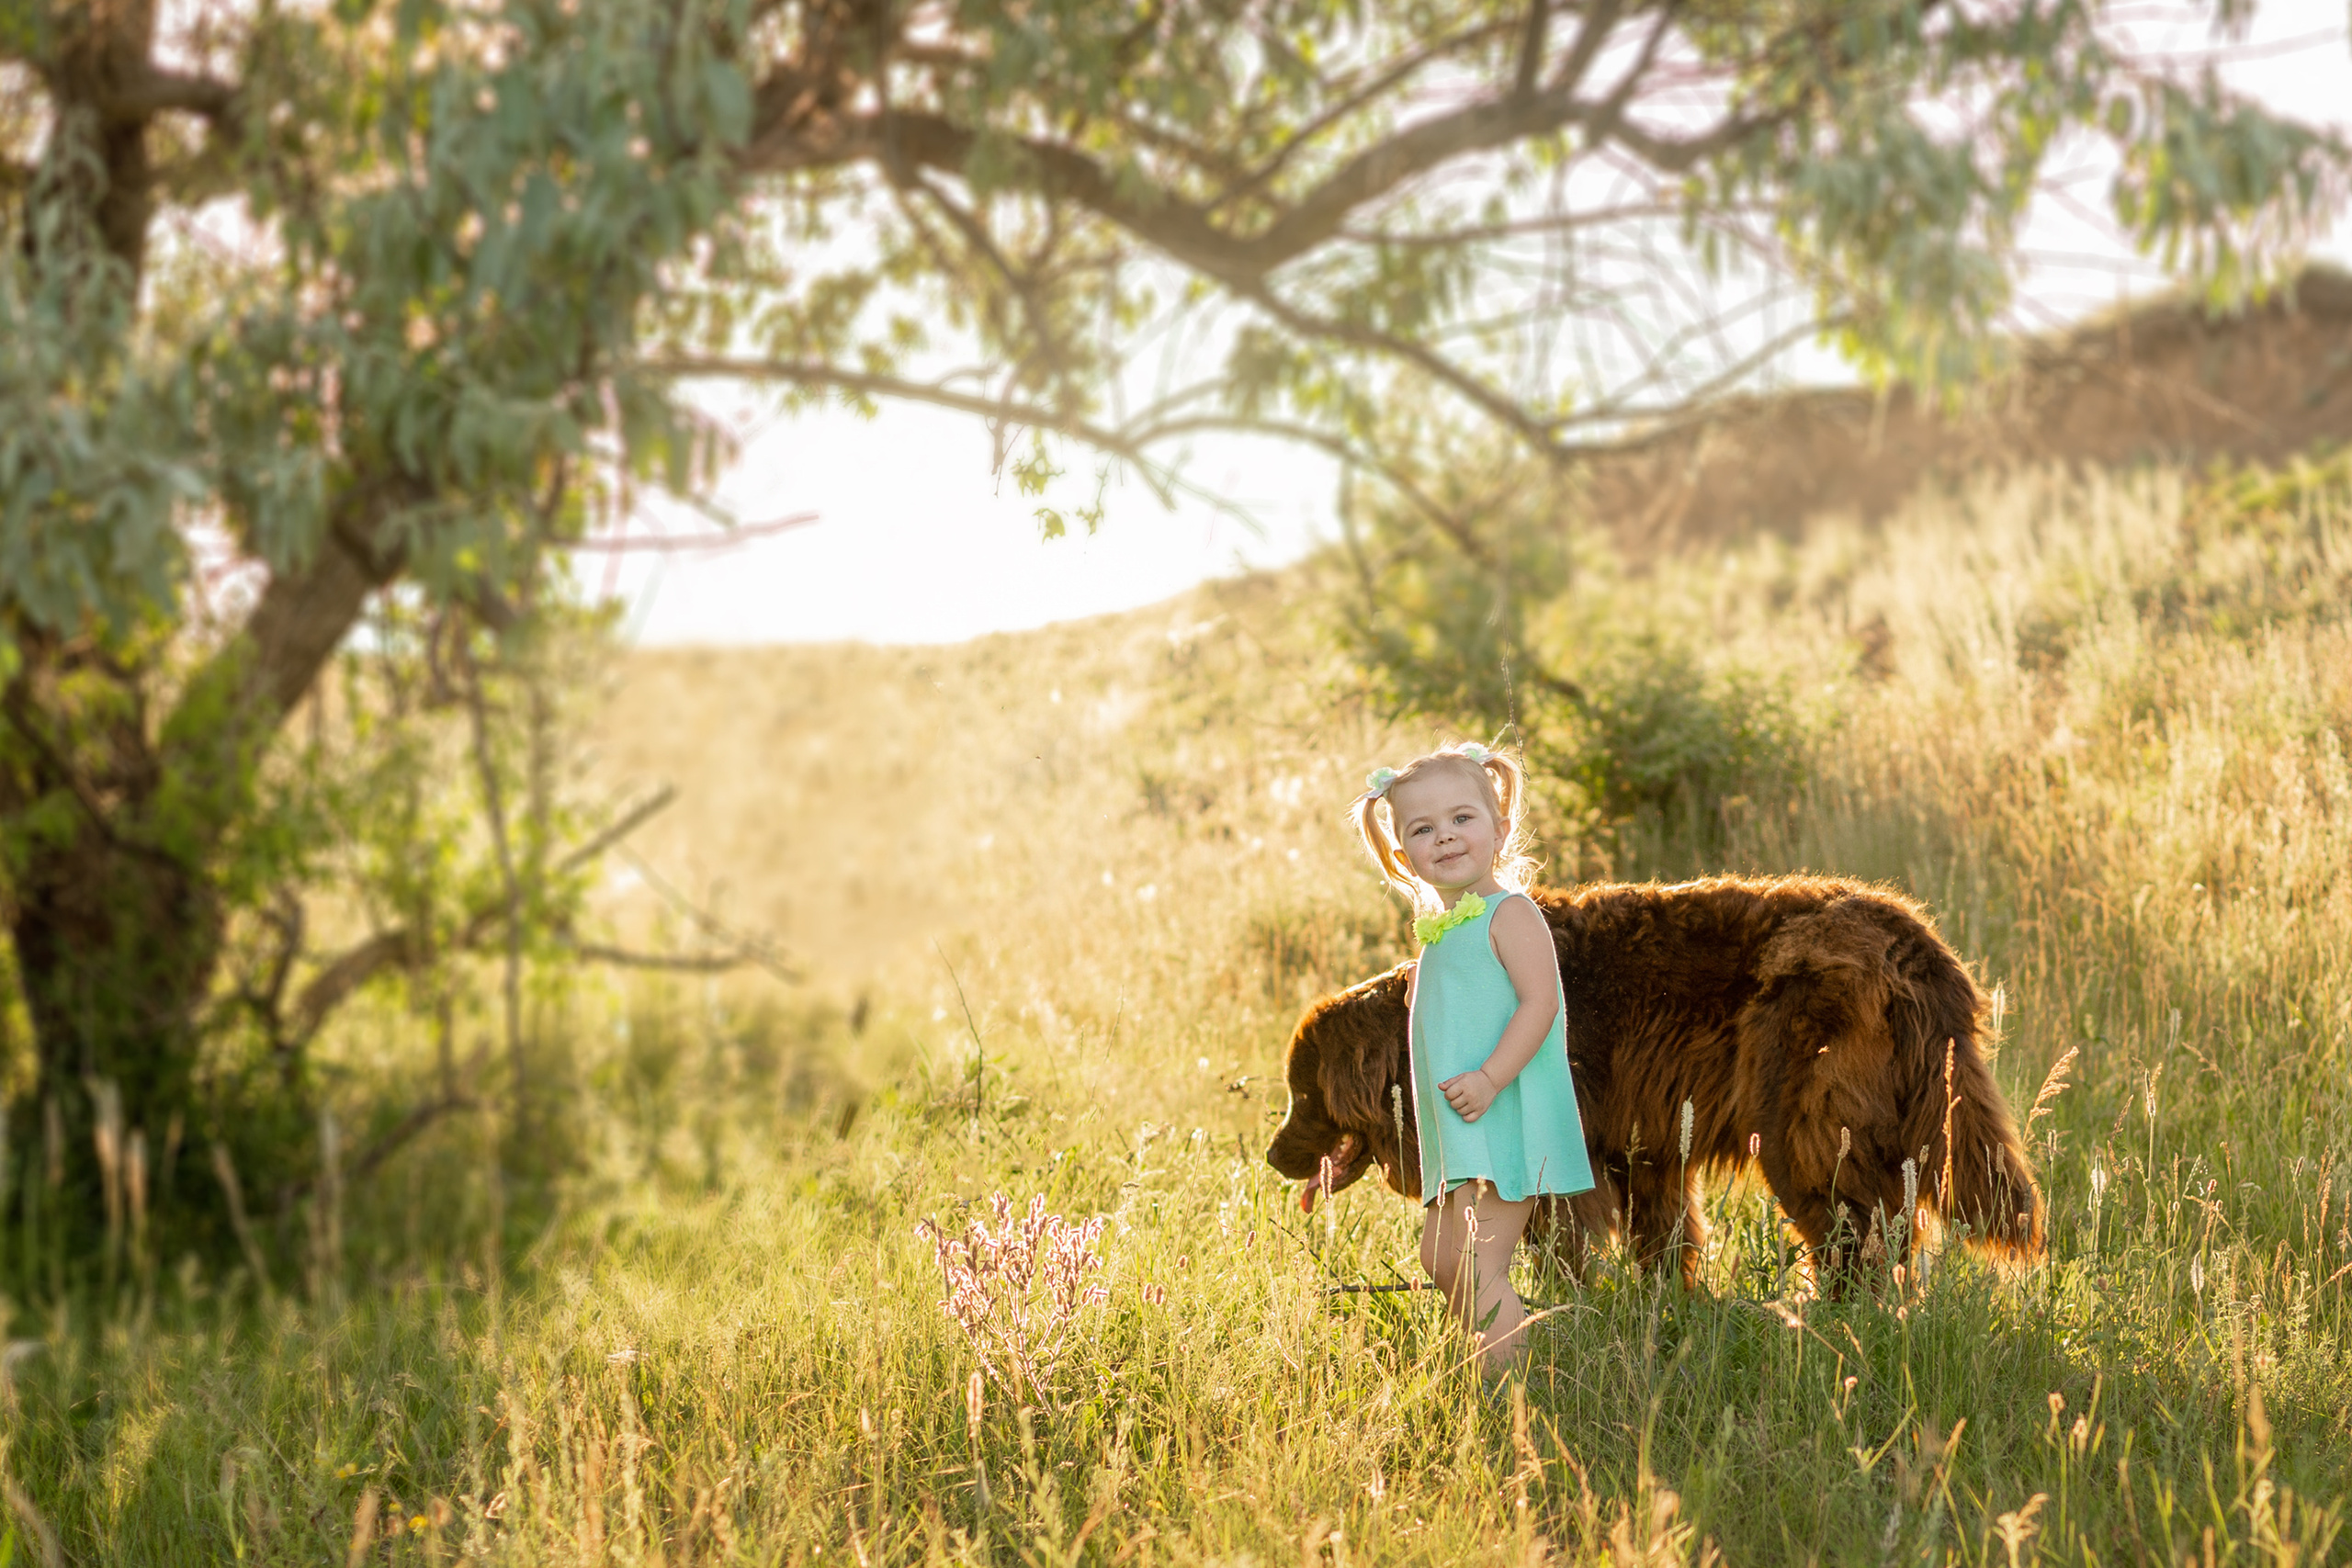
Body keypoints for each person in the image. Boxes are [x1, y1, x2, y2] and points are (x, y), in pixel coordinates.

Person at [1351, 742, 1594, 1374]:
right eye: (1424, 829)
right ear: (1404, 854)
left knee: (1479, 1259)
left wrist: (1490, 1077)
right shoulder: (1448, 928)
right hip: (1459, 1124)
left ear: (1500, 827)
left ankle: (1506, 1387)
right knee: (1443, 1257)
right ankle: (1501, 1357)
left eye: (1463, 818)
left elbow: (1540, 1003)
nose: (1447, 837)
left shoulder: (1511, 913)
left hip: (1505, 1111)